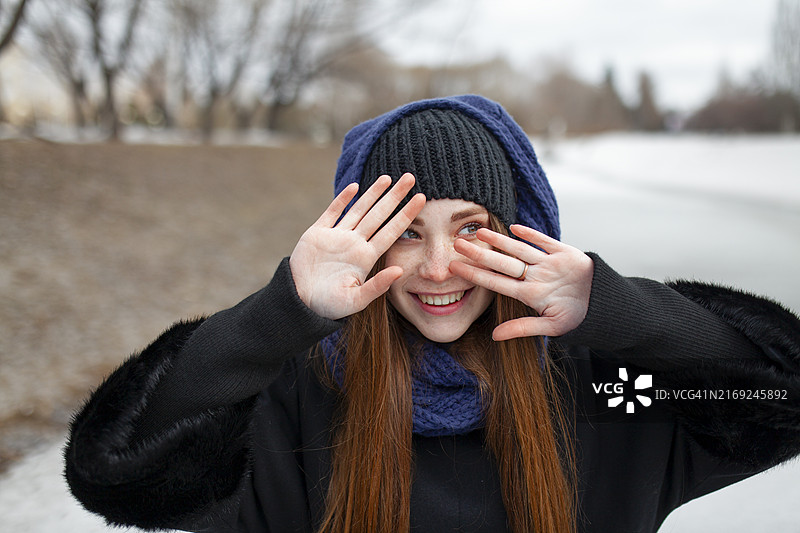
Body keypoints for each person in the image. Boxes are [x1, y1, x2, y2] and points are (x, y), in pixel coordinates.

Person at [65, 95, 800, 533]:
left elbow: (779, 397)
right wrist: (278, 315)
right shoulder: (300, 399)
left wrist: (619, 310)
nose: (440, 265)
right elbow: (116, 467)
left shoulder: (607, 391)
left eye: (472, 225)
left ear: (518, 233)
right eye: (407, 232)